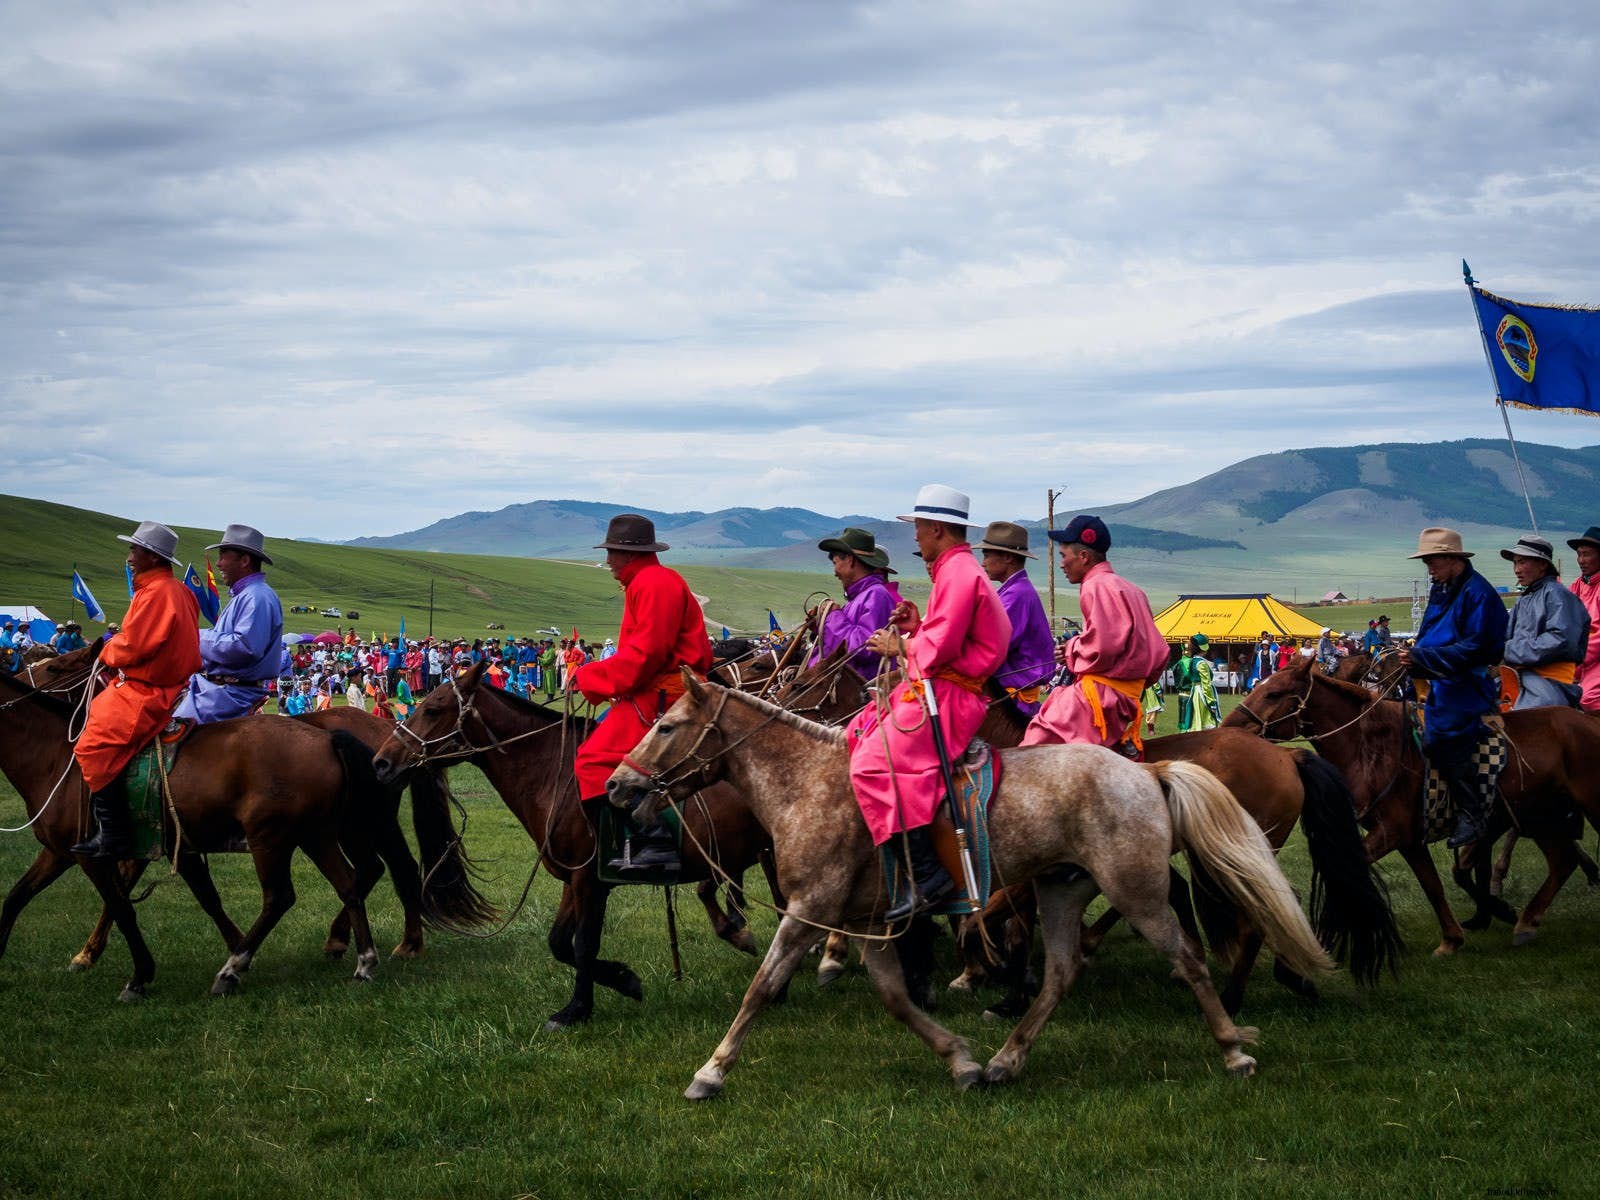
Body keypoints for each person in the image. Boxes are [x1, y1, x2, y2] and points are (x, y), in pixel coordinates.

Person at [847, 485, 1009, 920]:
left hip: (950, 696)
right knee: (857, 729)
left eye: (918, 527)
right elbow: (943, 634)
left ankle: (926, 875)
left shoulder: (958, 573)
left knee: (870, 763)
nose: (915, 536)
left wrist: (899, 646)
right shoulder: (955, 570)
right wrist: (917, 627)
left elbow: (940, 648)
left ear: (937, 528)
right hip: (938, 686)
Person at [569, 514, 714, 878]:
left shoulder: (653, 583)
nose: (608, 562)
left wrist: (590, 676)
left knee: (594, 760)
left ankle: (654, 840)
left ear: (628, 553)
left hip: (665, 694)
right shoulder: (647, 580)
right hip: (654, 689)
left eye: (612, 554)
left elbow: (647, 655)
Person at [70, 522, 202, 858]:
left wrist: (105, 652)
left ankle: (113, 836)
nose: (129, 557)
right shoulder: (173, 590)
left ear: (153, 557)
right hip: (154, 683)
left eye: (135, 550)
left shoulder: (159, 593)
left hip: (148, 690)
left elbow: (136, 645)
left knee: (91, 746)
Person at [1397, 528, 1509, 848]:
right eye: (1427, 562)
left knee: (1439, 738)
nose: (1428, 568)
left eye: (1433, 561)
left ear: (1453, 559)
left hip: (1468, 684)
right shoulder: (1442, 588)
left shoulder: (1479, 593)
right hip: (1440, 679)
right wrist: (1414, 658)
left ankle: (1473, 813)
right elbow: (1430, 632)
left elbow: (1477, 647)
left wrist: (1423, 656)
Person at [1021, 515, 1168, 757]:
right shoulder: (1133, 589)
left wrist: (1071, 649)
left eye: (1063, 556)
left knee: (1035, 743)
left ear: (1083, 557)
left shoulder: (1095, 586)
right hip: (1129, 697)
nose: (1061, 564)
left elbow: (1104, 646)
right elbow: (1159, 651)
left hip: (1101, 697)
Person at [175, 525, 284, 724]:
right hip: (221, 690)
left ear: (244, 560)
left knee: (171, 732)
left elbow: (243, 647)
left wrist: (195, 636)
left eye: (223, 555)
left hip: (231, 696)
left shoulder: (256, 597)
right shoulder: (247, 595)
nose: (218, 563)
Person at [1500, 534, 1590, 710]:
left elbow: (1561, 640)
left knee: (1526, 722)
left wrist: (1509, 650)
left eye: (1522, 562)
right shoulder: (1523, 599)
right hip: (1520, 676)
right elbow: (1507, 638)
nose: (1517, 569)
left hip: (1549, 683)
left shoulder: (1558, 595)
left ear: (1542, 564)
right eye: (1515, 563)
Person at [976, 521, 1055, 716]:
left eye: (986, 555)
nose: (982, 562)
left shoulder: (1016, 595)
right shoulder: (1015, 591)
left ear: (1008, 557)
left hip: (1012, 702)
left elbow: (989, 644)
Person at [809, 526, 899, 679]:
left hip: (854, 695)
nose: (835, 572)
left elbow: (864, 649)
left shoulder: (876, 595)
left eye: (835, 563)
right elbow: (841, 642)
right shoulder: (859, 597)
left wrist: (832, 618)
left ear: (850, 560)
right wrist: (820, 627)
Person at [1569, 526, 1600, 713]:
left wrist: (1576, 654)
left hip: (1593, 657)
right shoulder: (1577, 585)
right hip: (1577, 656)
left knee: (1589, 698)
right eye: (1579, 555)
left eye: (1587, 554)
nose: (1581, 560)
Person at [1184, 634, 1222, 730]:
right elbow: (1206, 685)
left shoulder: (1192, 661)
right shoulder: (1201, 663)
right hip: (1202, 694)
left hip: (1195, 692)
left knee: (1197, 718)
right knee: (1207, 720)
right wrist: (1211, 702)